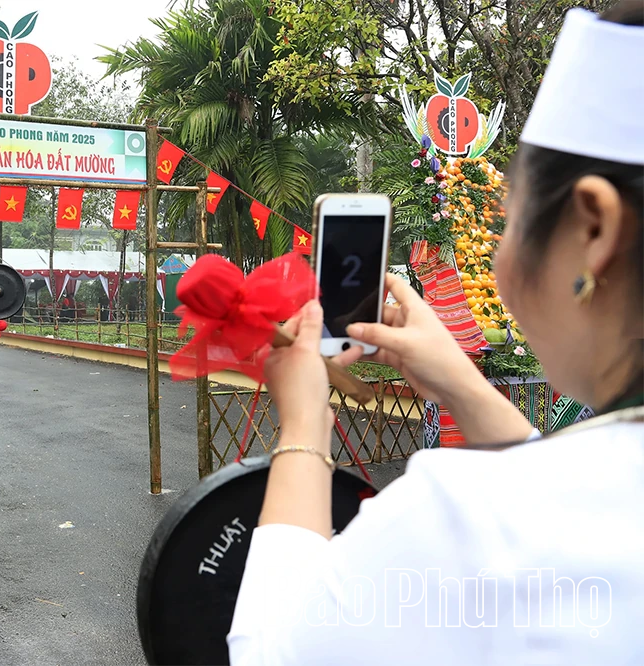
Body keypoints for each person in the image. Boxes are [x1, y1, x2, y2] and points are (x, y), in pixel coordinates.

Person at [227, 5, 643, 664]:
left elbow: (272, 650)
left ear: (594, 230)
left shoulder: (462, 518)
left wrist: (304, 423)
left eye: (506, 218)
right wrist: (465, 388)